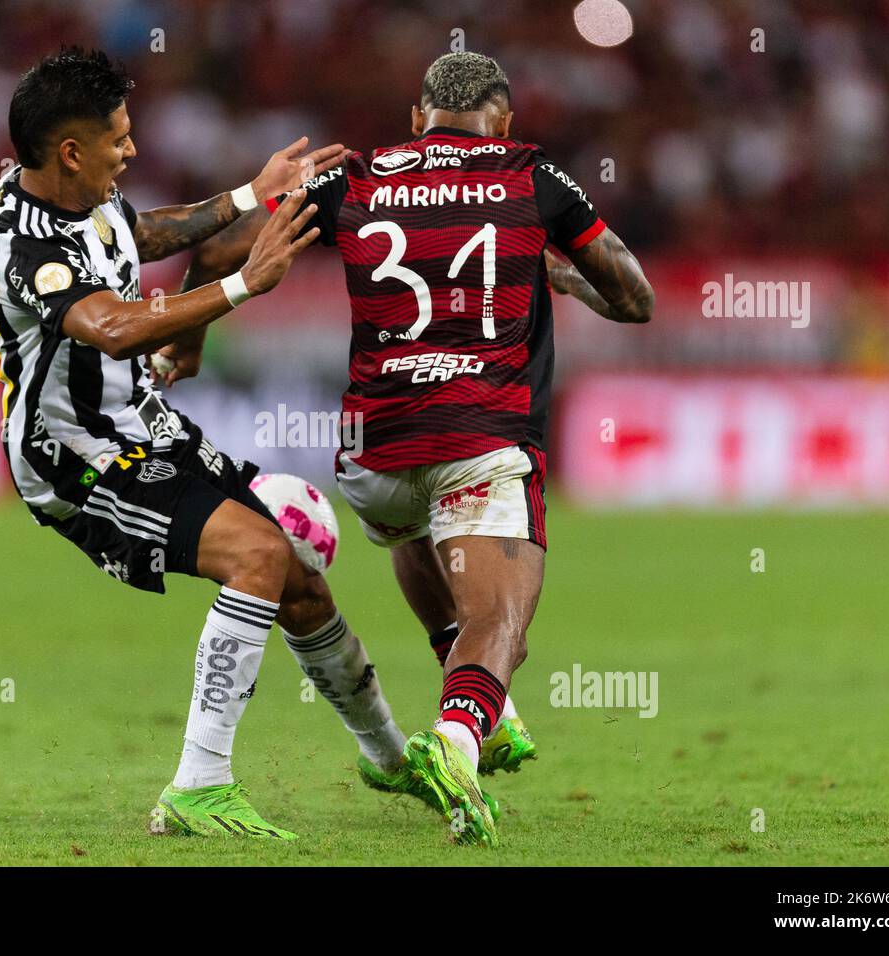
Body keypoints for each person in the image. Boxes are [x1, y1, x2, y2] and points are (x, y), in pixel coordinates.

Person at [178, 51, 655, 846]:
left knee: (414, 526)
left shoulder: (355, 180)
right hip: (479, 437)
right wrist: (564, 280)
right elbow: (635, 298)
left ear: (415, 121)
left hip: (373, 457)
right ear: (503, 123)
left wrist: (191, 341)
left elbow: (224, 254)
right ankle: (460, 737)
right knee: (502, 620)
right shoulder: (529, 177)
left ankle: (483, 716)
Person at [0, 47, 411, 841]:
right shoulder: (18, 242)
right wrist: (244, 286)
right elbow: (109, 327)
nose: (131, 150)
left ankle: (390, 759)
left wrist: (250, 193)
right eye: (118, 138)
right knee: (257, 557)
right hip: (78, 461)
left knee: (298, 577)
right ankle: (198, 785)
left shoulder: (86, 195)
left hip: (145, 426)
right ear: (70, 151)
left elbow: (136, 234)